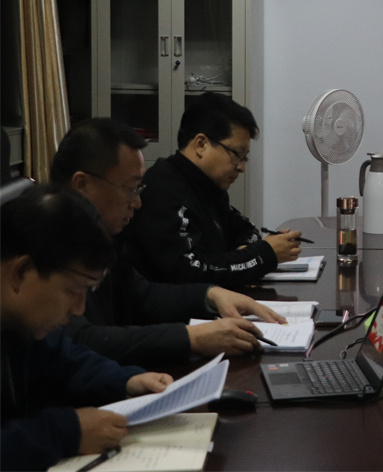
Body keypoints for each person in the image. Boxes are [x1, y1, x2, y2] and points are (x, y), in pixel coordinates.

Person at [51, 118, 287, 366]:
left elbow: (141, 295)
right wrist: (190, 338)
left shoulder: (101, 236)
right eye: (131, 188)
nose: (137, 203)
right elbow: (79, 340)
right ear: (82, 185)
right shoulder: (48, 242)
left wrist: (211, 295)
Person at [1, 186, 174, 471]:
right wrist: (65, 432)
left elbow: (65, 360)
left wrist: (126, 381)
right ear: (21, 272)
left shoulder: (24, 323)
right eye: (73, 291)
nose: (80, 309)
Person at [124, 93, 302, 287]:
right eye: (237, 154)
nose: (241, 167)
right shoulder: (163, 190)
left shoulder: (207, 185)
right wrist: (262, 254)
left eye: (245, 157)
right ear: (201, 144)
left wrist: (248, 254)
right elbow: (189, 271)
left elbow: (247, 230)